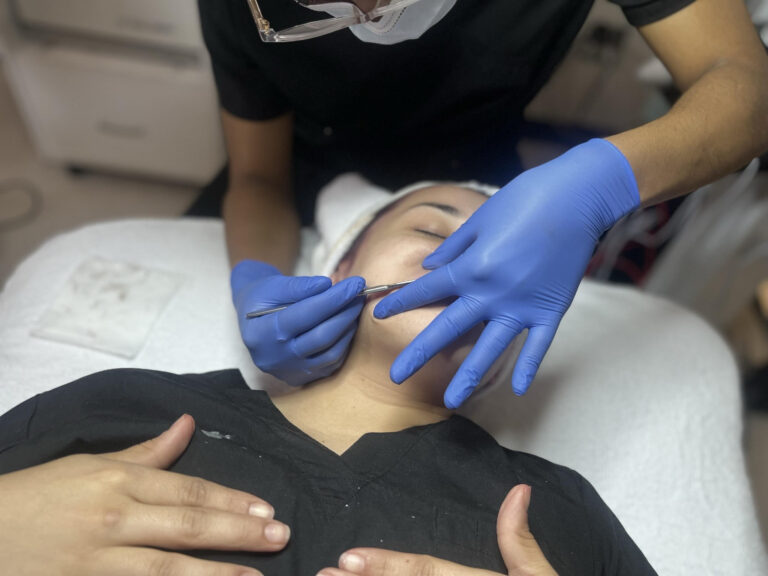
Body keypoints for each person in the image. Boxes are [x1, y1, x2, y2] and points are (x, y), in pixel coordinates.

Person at [0, 184, 656, 575]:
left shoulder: (556, 508)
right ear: (341, 267)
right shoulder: (128, 404)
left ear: (517, 340)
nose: (466, 263)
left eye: (505, 261)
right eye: (432, 228)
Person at [197, 0, 768, 406]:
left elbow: (745, 84)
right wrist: (255, 280)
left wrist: (602, 181)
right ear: (339, 265)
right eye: (428, 233)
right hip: (299, 172)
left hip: (477, 159)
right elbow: (257, 176)